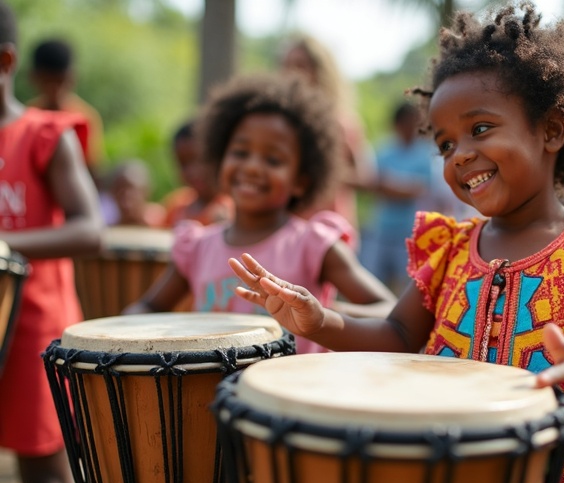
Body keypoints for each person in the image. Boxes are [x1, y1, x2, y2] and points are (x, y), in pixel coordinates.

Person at [229, 3, 564, 483]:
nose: (459, 153)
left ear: (551, 130)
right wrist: (319, 320)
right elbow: (397, 335)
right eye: (444, 143)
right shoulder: (448, 250)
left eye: (480, 129)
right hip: (468, 479)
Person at [123, 72, 396, 354]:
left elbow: (388, 310)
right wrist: (119, 327)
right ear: (220, 158)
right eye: (240, 153)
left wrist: (326, 312)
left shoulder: (313, 244)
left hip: (291, 393)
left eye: (273, 159)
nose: (252, 167)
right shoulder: (197, 247)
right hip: (212, 397)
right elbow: (149, 306)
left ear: (301, 180)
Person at [0, 2, 104, 483]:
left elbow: (90, 229)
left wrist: (3, 244)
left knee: (46, 480)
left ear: (5, 62)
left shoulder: (45, 135)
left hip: (34, 328)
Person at [278, 33, 375, 231]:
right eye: (287, 66)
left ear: (320, 71)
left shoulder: (341, 122)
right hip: (287, 230)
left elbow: (364, 177)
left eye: (300, 65)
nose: (291, 74)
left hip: (330, 232)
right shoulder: (278, 122)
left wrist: (319, 174)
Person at [360, 102, 436, 295]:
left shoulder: (424, 152)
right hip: (382, 229)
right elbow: (373, 184)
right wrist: (400, 187)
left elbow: (420, 189)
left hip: (410, 232)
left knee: (407, 287)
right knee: (372, 283)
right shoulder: (384, 149)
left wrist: (391, 186)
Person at [27, 38, 107, 180]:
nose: (54, 89)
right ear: (33, 78)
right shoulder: (27, 117)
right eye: (47, 81)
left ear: (72, 77)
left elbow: (93, 170)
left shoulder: (85, 118)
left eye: (60, 81)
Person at [161, 119, 233, 227]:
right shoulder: (176, 207)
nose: (192, 171)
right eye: (183, 163)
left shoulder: (233, 208)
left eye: (200, 160)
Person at [107, 159, 166, 228]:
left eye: (132, 192)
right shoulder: (108, 227)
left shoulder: (163, 222)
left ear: (146, 191)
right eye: (120, 191)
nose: (126, 201)